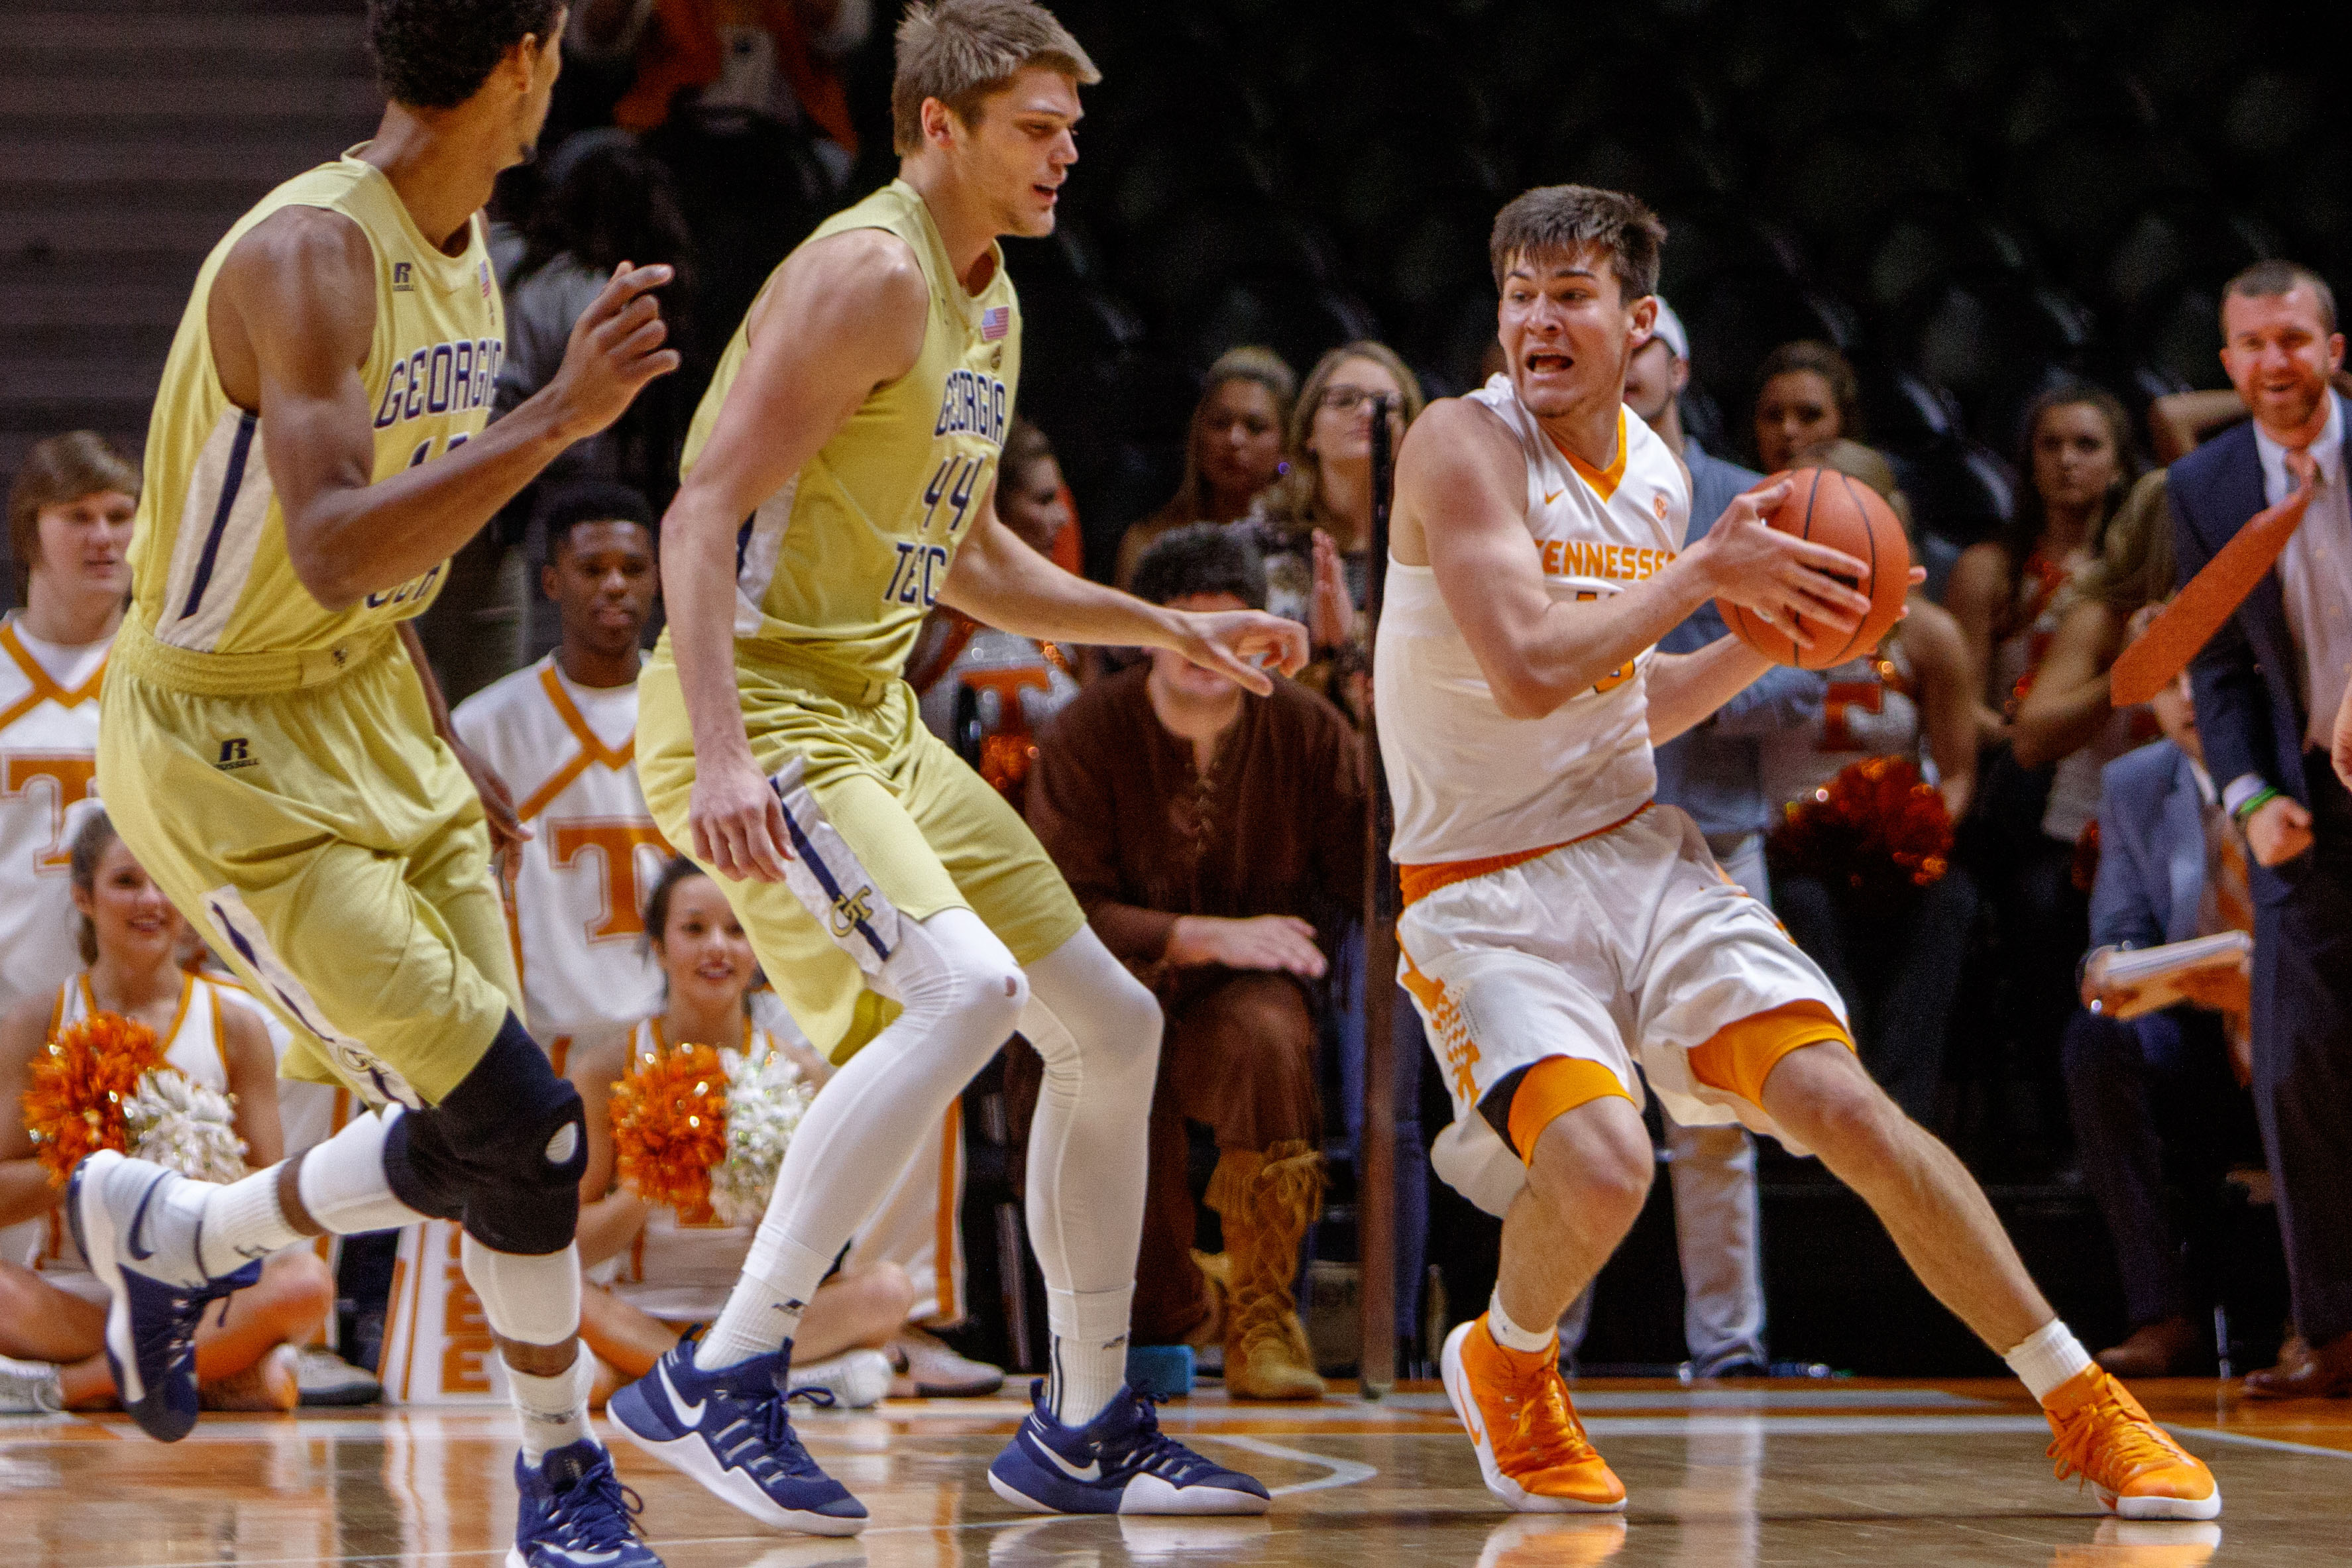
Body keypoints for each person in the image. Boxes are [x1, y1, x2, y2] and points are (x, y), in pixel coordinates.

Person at [1380, 182, 2216, 1518]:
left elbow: (1627, 703)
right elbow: (1534, 671)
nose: (1537, 321)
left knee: (1853, 1114)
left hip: (1638, 849)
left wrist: (1777, 638)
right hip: (1482, 885)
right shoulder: (1456, 445)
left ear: (1636, 322)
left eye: (1569, 295)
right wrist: (1712, 578)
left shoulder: (1654, 482)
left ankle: (2082, 1401)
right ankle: (1508, 1356)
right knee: (1604, 1162)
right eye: (1517, 295)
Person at [624, 0, 1302, 1529]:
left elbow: (970, 551)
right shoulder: (870, 274)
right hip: (767, 713)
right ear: (938, 126)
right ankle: (722, 1376)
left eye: (1074, 128)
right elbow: (698, 513)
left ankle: (1082, 1421)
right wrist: (725, 759)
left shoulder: (992, 299)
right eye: (1037, 128)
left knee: (1110, 1026)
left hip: (873, 718)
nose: (1068, 153)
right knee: (967, 992)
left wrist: (1156, 628)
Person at [66, 4, 682, 1564]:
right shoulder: (309, 257)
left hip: (375, 715)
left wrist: (438, 729)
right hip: (227, 749)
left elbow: (370, 583)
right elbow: (336, 539)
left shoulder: (463, 241)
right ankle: (560, 1479)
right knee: (525, 1123)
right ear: (530, 60)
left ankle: (186, 1231)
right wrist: (563, 419)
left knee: (515, 1143)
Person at [1027, 525, 1365, 1400]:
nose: (1208, 649)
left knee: (1265, 1031)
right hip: (1112, 985)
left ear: (1264, 636)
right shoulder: (1083, 733)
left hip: (1248, 997)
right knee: (1094, 1052)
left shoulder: (1307, 730)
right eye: (1185, 624)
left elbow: (1372, 875)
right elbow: (1057, 907)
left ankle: (1262, 1312)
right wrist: (1193, 933)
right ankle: (1173, 1306)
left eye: (1231, 627)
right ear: (1145, 631)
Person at [1571, 297, 1824, 1378]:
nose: (1626, 368)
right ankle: (1544, 1346)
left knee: (1718, 1110)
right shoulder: (1554, 497)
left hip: (1715, 831)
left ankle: (1727, 1348)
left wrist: (1692, 684)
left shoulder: (1743, 501)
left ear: (1676, 366)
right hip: (1579, 832)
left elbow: (1803, 688)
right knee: (1574, 1098)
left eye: (1646, 353)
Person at [0, 813, 333, 1416]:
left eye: (165, 881)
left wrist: (193, 1176)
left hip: (198, 1294)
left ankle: (72, 1386)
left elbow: (275, 1202)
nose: (151, 900)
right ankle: (213, 1371)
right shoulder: (36, 1021)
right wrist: (90, 1159)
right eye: (127, 881)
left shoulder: (235, 1024)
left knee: (305, 1285)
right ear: (84, 896)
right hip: (74, 1293)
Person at [2176, 260, 2352, 1400]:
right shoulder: (2200, 485)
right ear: (2227, 363)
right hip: (2303, 803)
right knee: (2292, 1066)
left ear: (2332, 351)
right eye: (2248, 344)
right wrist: (2245, 797)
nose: (2271, 363)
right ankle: (2331, 1331)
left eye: (2291, 339)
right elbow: (2218, 665)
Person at [569, 858, 912, 1408]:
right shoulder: (607, 1069)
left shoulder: (798, 1072)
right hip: (640, 1314)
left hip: (758, 1317)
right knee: (556, 1295)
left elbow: (822, 1244)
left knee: (889, 1290)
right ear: (658, 947)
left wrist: (759, 1184)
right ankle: (767, 1383)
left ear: (758, 948)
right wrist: (651, 1182)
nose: (717, 948)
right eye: (694, 928)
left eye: (736, 930)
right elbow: (573, 1249)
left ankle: (674, 1382)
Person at [1759, 439, 1981, 1124]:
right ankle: (1837, 1100)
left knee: (1951, 899)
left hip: (1892, 846)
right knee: (1804, 904)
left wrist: (1915, 837)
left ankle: (1897, 1114)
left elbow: (1961, 768)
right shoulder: (1754, 616)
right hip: (1779, 843)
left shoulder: (1930, 635)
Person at [2070, 658, 2259, 1377]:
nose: (2188, 695)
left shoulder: (2302, 763)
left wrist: (2264, 988)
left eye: (2202, 673)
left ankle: (2322, 1320)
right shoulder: (2134, 780)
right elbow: (2118, 926)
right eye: (2169, 677)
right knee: (2095, 1035)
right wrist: (2107, 966)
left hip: (2293, 1019)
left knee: (2305, 1025)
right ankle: (2159, 1310)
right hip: (2194, 1029)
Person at [452, 480, 667, 1072]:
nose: (615, 584)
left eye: (633, 567)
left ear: (658, 576)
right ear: (552, 583)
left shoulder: (695, 714)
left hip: (674, 1037)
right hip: (544, 1048)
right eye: (592, 568)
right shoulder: (484, 728)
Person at [0, 433, 133, 1023]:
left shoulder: (176, 686)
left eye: (119, 515)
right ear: (30, 535)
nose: (103, 537)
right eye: (78, 516)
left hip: (147, 1022)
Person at [1250, 341, 1426, 722]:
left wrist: (1350, 641)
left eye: (1385, 405)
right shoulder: (1258, 542)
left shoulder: (1432, 545)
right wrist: (1318, 645)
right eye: (1344, 400)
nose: (1366, 412)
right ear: (1308, 431)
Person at [909, 417, 1080, 809]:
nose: (1064, 518)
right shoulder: (919, 623)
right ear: (992, 510)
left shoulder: (1070, 620)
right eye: (1044, 500)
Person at [1111, 346, 1296, 588]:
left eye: (1255, 427)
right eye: (1220, 424)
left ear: (1285, 444)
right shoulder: (1147, 545)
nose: (1234, 440)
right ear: (1198, 434)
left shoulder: (1303, 545)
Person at [1750, 340, 1864, 477]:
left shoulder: (1877, 495)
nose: (1788, 430)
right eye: (1773, 416)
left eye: (1809, 416)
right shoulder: (1727, 495)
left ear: (1844, 421)